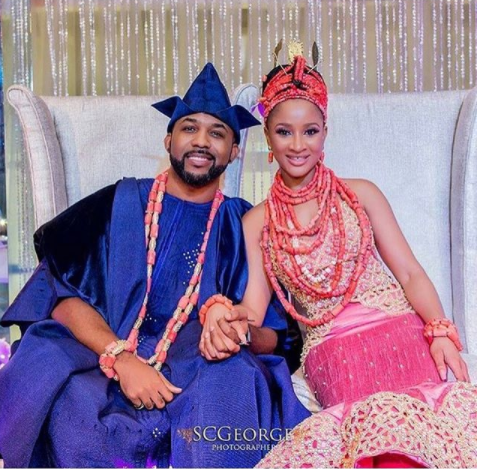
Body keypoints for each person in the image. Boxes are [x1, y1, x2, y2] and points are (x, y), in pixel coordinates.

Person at [0, 63, 309, 468]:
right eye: (189, 128)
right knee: (65, 397)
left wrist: (239, 333)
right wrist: (121, 358)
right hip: (97, 363)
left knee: (232, 380)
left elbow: (279, 336)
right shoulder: (121, 201)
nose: (201, 141)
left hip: (195, 375)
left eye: (217, 133)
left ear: (234, 151)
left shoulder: (243, 223)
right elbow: (58, 292)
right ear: (168, 140)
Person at [200, 47, 477, 468]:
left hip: (401, 334)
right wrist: (226, 316)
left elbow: (409, 273)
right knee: (377, 452)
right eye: (284, 132)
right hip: (335, 353)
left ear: (325, 132)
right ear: (268, 137)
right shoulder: (257, 221)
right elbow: (253, 311)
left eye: (310, 131)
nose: (298, 145)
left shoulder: (361, 193)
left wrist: (439, 330)